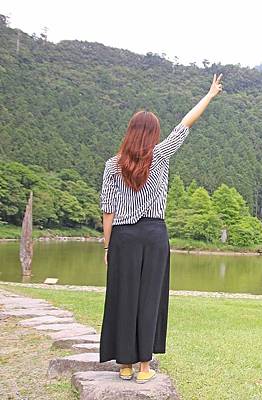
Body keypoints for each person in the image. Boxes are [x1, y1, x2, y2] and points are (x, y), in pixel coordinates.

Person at [98, 73, 223, 383]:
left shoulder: (113, 165)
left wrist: (107, 247)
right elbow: (185, 125)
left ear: (130, 132)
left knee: (123, 296)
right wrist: (209, 95)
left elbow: (108, 209)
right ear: (153, 133)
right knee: (149, 297)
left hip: (124, 237)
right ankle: (144, 367)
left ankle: (124, 365)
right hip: (154, 235)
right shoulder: (162, 155)